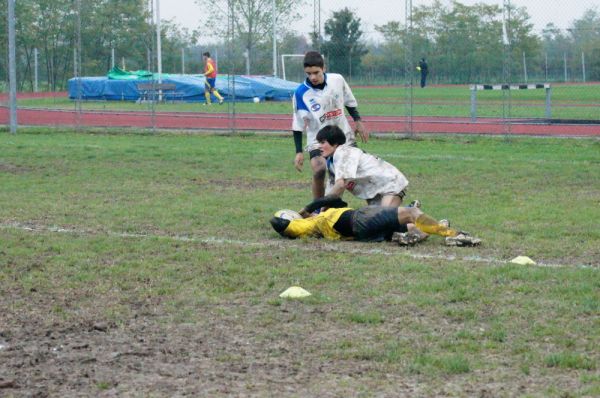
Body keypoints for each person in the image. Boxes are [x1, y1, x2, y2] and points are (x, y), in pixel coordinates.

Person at [292, 50, 368, 200]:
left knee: (360, 171)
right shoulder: (301, 93)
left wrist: (358, 121)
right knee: (319, 169)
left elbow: (349, 101)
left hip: (343, 136)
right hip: (318, 140)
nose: (312, 77)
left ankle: (377, 206)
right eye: (309, 73)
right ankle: (318, 208)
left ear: (324, 68)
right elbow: (297, 123)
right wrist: (299, 151)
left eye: (316, 72)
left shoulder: (337, 80)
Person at [269, 196, 481, 246]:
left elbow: (337, 200)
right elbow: (279, 223)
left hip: (362, 232)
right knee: (411, 212)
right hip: (360, 219)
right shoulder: (304, 225)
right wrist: (305, 211)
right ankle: (452, 235)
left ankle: (408, 236)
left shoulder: (316, 224)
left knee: (414, 226)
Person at [316, 125, 409, 207]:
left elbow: (340, 185)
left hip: (391, 183)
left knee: (384, 219)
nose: (319, 146)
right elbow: (332, 192)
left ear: (335, 143)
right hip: (375, 191)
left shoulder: (342, 153)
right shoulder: (331, 162)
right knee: (374, 224)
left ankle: (410, 212)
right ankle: (408, 213)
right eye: (319, 142)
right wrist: (322, 211)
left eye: (323, 142)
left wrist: (315, 208)